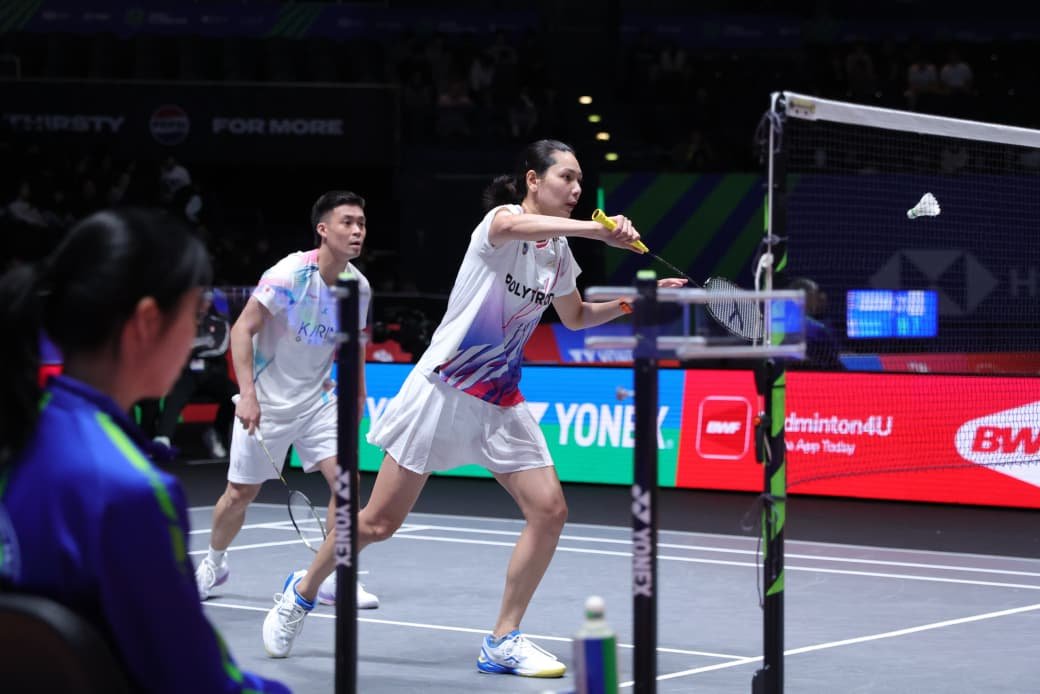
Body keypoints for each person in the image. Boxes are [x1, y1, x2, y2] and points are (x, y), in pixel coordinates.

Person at [258, 139, 686, 673]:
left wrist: (633, 302)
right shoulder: (500, 223)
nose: (576, 189)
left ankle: (503, 639)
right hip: (444, 391)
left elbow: (573, 317)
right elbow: (516, 228)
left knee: (550, 510)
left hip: (500, 398)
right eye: (566, 178)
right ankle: (299, 593)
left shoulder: (559, 253)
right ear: (533, 179)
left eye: (580, 181)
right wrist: (598, 230)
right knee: (376, 524)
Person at [0, 208, 289, 693]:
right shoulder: (128, 491)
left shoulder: (19, 430)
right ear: (147, 321)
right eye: (193, 318)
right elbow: (199, 682)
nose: (197, 338)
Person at [194, 191, 379, 617]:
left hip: (317, 402)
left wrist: (358, 395)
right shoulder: (289, 275)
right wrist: (250, 394)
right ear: (323, 230)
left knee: (346, 486)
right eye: (348, 222)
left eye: (362, 224)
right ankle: (214, 564)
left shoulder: (358, 287)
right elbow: (242, 330)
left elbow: (355, 347)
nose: (357, 231)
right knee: (239, 495)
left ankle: (334, 576)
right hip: (269, 402)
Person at [151, 289, 237, 458]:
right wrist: (202, 345)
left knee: (235, 395)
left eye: (206, 300)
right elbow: (173, 348)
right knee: (174, 393)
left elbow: (219, 347)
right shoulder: (180, 324)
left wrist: (190, 347)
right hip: (187, 374)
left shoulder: (219, 323)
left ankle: (215, 433)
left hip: (213, 374)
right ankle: (162, 440)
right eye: (199, 300)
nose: (202, 304)